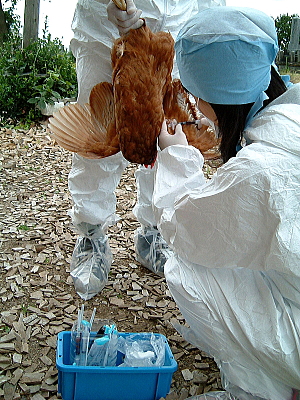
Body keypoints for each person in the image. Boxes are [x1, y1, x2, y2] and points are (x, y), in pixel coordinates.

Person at [152, 6, 300, 400]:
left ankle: (259, 390)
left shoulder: (260, 170)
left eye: (199, 94)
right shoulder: (289, 116)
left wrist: (176, 156)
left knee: (184, 266)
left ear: (221, 94)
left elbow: (185, 227)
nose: (196, 106)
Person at [68, 0, 226, 300]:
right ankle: (91, 236)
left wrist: (211, 24)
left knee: (171, 136)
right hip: (105, 30)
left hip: (179, 26)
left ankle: (154, 233)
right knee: (101, 135)